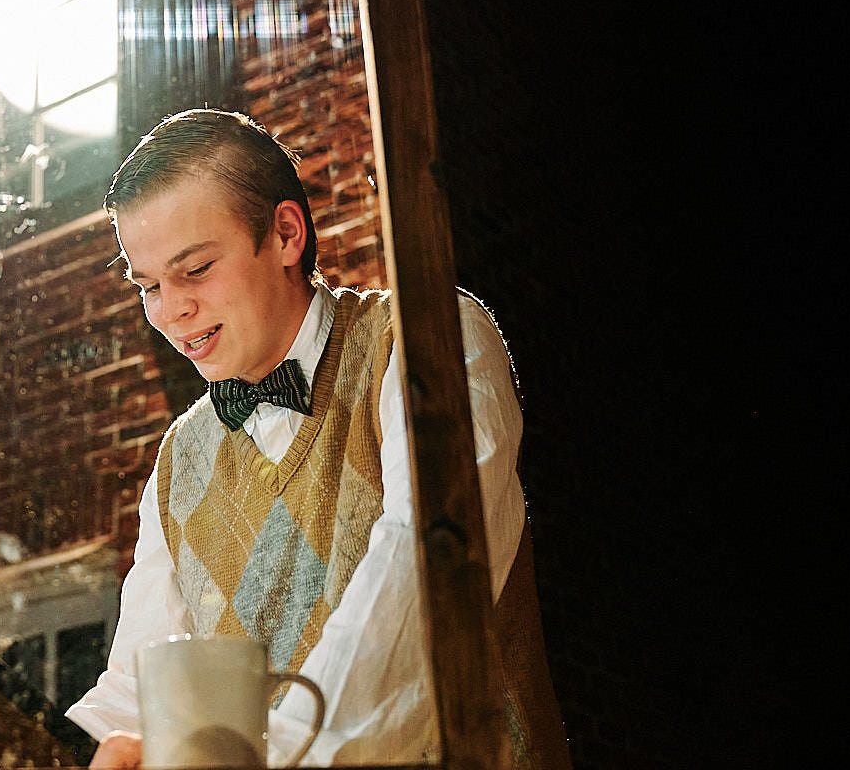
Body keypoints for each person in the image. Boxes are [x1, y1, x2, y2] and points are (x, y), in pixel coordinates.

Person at [65, 110, 569, 767]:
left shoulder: (427, 337)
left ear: (284, 234)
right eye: (149, 285)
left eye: (195, 270)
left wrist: (257, 751)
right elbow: (140, 686)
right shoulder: (178, 457)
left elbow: (421, 577)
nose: (170, 310)